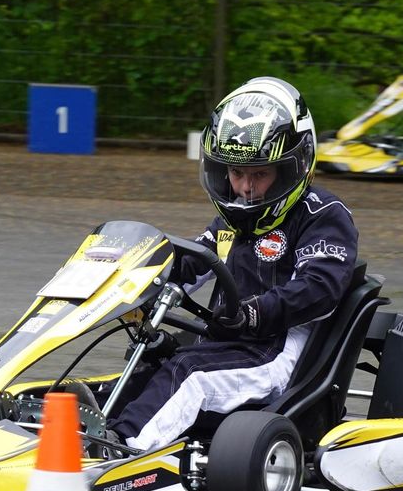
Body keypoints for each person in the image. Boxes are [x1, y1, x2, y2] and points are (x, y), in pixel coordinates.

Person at [106, 76, 358, 452]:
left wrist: (253, 314)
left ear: (293, 167)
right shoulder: (232, 221)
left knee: (187, 373)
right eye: (237, 174)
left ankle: (116, 450)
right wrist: (130, 281)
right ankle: (73, 430)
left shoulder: (323, 216)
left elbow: (319, 288)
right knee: (148, 367)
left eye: (260, 174)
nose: (246, 188)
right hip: (228, 346)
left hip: (276, 355)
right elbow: (192, 263)